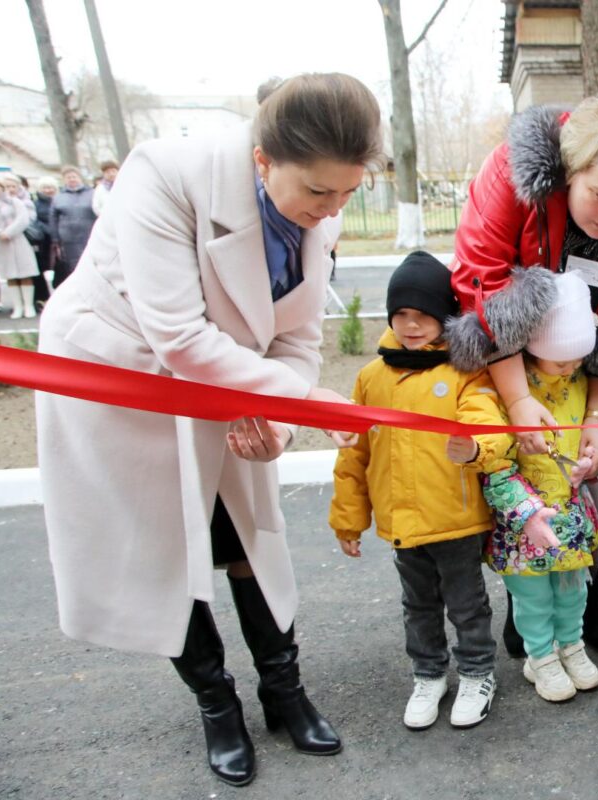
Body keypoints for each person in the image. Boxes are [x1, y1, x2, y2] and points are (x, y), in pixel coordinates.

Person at [35, 73, 385, 786]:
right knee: (171, 542)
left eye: (348, 193)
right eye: (319, 193)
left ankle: (283, 691)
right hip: (125, 374)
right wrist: (304, 400)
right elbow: (179, 338)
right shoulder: (163, 176)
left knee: (247, 530)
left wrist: (283, 425)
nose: (332, 211)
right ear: (263, 160)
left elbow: (298, 335)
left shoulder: (324, 207)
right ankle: (215, 703)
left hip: (235, 373)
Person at [449, 91, 598, 658]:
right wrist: (517, 397)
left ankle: (583, 578)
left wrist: (596, 415)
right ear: (569, 169)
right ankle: (523, 583)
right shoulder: (512, 174)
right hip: (507, 339)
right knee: (517, 459)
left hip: (582, 347)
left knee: (580, 459)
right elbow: (482, 282)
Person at [330, 252, 507, 731]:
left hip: (455, 519)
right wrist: (348, 519)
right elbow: (354, 455)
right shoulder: (371, 378)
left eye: (424, 315)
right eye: (402, 314)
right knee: (418, 605)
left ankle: (476, 673)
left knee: (467, 603)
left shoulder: (464, 370)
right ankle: (429, 674)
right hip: (402, 523)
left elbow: (492, 426)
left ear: (444, 318)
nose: (412, 325)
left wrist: (475, 449)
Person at [470, 272, 598, 703]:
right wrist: (523, 512)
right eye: (559, 359)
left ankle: (571, 645)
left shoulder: (579, 381)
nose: (570, 367)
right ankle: (541, 657)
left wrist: (585, 465)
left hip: (568, 513)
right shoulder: (509, 392)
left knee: (573, 590)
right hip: (523, 522)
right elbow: (495, 466)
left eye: (576, 358)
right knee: (532, 598)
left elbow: (584, 439)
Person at [0, 175, 40, 318]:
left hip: (19, 240)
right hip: (2, 243)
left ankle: (28, 306)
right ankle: (18, 306)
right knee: (10, 275)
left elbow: (23, 219)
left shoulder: (15, 202)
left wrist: (9, 232)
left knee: (25, 272)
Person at [48, 165, 96, 287]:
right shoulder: (58, 198)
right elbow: (53, 219)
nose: (72, 179)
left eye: (74, 176)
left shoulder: (92, 193)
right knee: (74, 267)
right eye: (68, 177)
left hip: (90, 235)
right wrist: (55, 239)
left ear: (80, 178)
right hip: (69, 239)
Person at [31, 176, 55, 310]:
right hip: (42, 240)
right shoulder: (36, 204)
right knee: (41, 270)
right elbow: (35, 220)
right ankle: (42, 298)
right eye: (45, 187)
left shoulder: (59, 200)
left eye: (50, 187)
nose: (48, 190)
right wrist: (48, 230)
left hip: (58, 239)